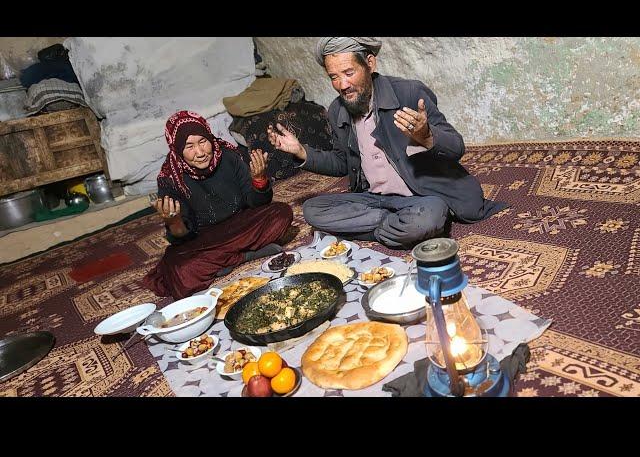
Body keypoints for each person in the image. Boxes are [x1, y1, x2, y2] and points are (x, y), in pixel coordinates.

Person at [267, 37, 506, 250]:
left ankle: (383, 227)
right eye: (334, 77)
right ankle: (397, 227)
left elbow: (457, 147)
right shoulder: (337, 110)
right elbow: (342, 163)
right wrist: (301, 152)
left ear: (370, 64)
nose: (342, 84)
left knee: (429, 215)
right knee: (313, 210)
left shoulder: (409, 93)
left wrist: (427, 137)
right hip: (375, 199)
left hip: (421, 196)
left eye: (349, 73)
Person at [143, 110, 293, 299]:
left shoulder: (229, 156)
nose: (199, 153)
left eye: (203, 142)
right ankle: (246, 255)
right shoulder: (170, 179)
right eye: (189, 146)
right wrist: (174, 222)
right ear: (177, 148)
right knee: (180, 270)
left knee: (282, 213)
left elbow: (256, 203)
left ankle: (224, 261)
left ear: (209, 137)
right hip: (204, 240)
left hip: (241, 225)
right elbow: (182, 237)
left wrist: (259, 180)